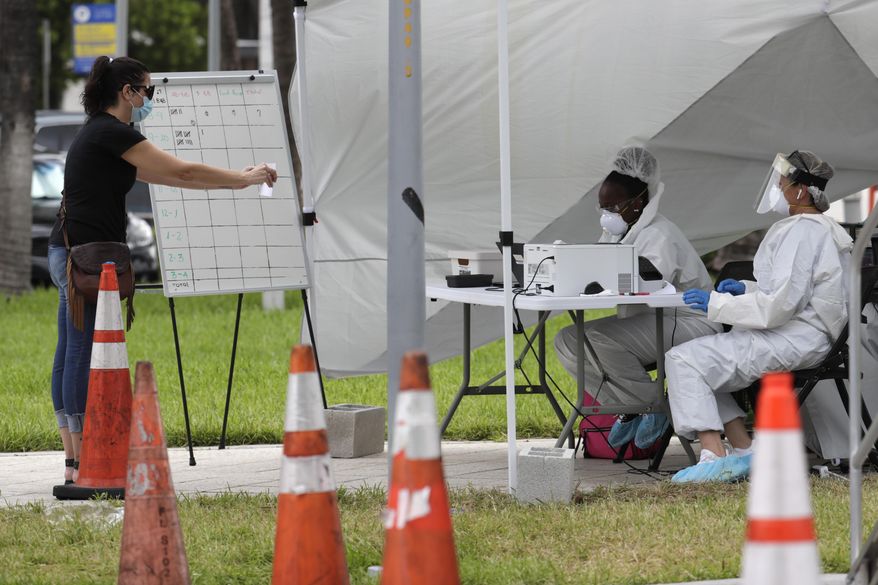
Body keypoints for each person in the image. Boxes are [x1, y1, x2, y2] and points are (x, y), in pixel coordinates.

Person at [47, 56, 277, 485]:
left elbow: (177, 179)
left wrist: (237, 179)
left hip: (68, 249)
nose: (149, 99)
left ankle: (73, 460)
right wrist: (244, 179)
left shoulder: (100, 132)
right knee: (80, 351)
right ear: (127, 92)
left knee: (69, 351)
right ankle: (82, 460)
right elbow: (182, 169)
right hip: (86, 255)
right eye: (147, 91)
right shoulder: (112, 132)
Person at [667, 150, 851, 483]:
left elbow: (779, 306)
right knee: (704, 361)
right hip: (802, 333)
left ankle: (713, 456)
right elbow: (793, 295)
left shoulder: (803, 232)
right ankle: (742, 448)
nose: (777, 189)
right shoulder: (815, 228)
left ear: (801, 191)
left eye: (782, 184)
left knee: (683, 359)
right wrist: (747, 289)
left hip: (796, 338)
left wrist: (717, 303)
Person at [554, 146, 722, 452]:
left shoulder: (659, 234)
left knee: (599, 340)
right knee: (567, 340)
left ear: (639, 202)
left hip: (690, 321)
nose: (607, 216)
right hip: (651, 322)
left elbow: (644, 285)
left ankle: (655, 408)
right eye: (602, 208)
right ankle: (629, 407)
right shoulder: (619, 233)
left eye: (613, 207)